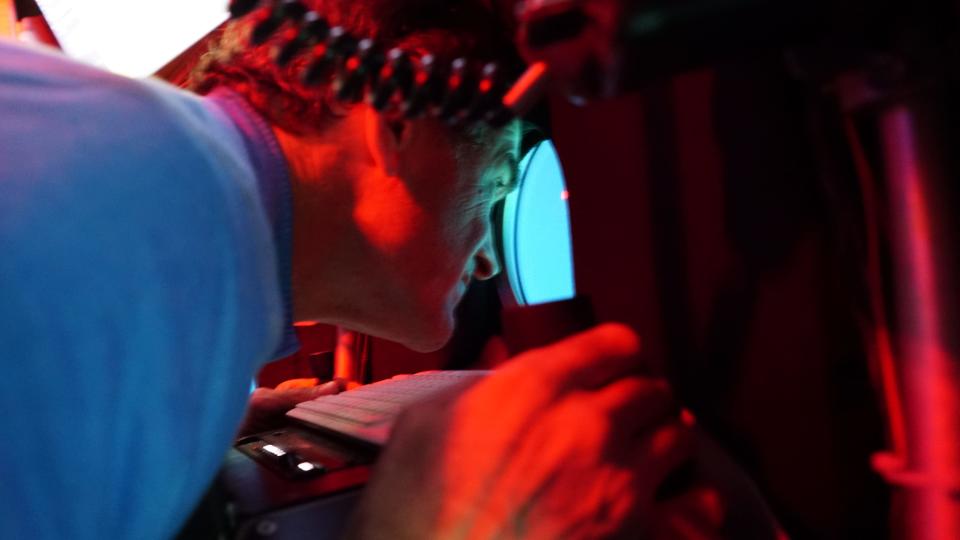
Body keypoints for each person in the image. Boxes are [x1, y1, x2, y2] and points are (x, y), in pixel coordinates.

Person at [0, 0, 779, 538]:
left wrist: (189, 417)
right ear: (398, 120)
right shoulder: (127, 207)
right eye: (500, 183)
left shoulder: (147, 195)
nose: (485, 257)